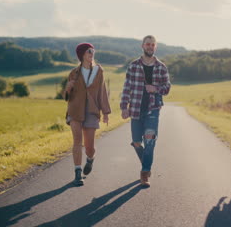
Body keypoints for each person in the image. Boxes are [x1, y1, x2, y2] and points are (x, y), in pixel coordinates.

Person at [120, 35, 171, 187]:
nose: (150, 46)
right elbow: (126, 88)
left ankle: (144, 172)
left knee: (150, 140)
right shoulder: (134, 65)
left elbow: (167, 88)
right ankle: (146, 162)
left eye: (152, 44)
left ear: (155, 47)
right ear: (143, 46)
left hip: (153, 109)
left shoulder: (161, 67)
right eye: (147, 44)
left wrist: (155, 89)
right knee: (136, 142)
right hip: (135, 108)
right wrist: (124, 107)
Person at [65, 43, 111, 186]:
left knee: (89, 146)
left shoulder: (99, 71)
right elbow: (67, 95)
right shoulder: (74, 73)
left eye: (93, 51)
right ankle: (77, 173)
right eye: (88, 51)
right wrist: (67, 89)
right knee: (77, 141)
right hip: (75, 109)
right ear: (82, 55)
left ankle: (90, 159)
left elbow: (102, 92)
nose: (92, 54)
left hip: (92, 110)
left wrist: (105, 112)